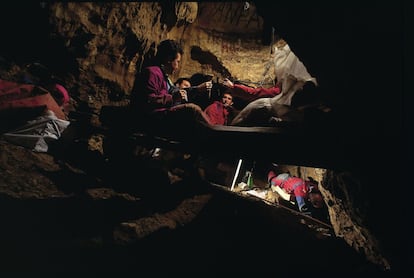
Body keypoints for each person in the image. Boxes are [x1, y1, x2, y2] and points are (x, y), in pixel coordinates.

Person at [129, 39, 213, 136]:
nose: (177, 67)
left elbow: (174, 92)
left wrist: (196, 89)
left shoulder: (163, 77)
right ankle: (216, 134)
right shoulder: (152, 72)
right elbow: (147, 100)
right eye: (177, 61)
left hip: (159, 116)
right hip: (150, 119)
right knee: (192, 109)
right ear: (169, 59)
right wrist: (172, 98)